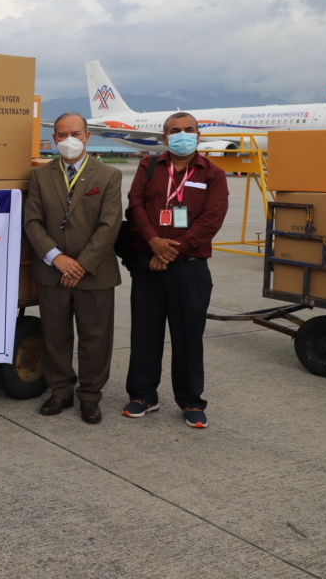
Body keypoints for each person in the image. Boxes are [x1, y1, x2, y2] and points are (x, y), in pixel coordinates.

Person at [123, 112, 229, 429]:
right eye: (175, 131)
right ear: (165, 137)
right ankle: (143, 395)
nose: (182, 134)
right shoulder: (149, 166)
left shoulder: (213, 173)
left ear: (198, 134)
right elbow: (135, 204)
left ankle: (191, 401)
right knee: (145, 334)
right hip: (149, 265)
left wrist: (172, 250)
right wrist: (153, 241)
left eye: (189, 130)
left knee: (188, 338)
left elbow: (211, 219)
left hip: (190, 270)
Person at [24, 112, 122, 424]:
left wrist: (80, 264)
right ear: (54, 139)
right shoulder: (40, 176)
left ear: (87, 136)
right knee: (56, 335)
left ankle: (90, 396)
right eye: (62, 134)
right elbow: (32, 221)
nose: (70, 140)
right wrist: (56, 258)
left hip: (94, 273)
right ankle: (61, 390)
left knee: (95, 338)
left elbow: (109, 226)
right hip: (53, 272)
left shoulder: (108, 175)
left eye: (76, 134)